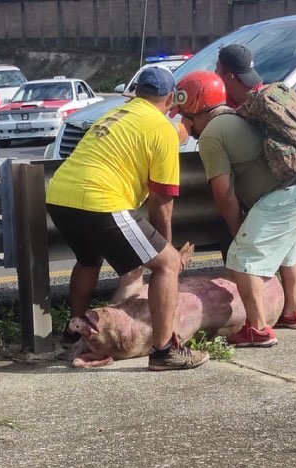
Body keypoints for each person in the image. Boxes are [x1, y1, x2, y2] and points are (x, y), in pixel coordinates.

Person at [46, 66, 208, 371]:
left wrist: (182, 125)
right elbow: (162, 203)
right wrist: (168, 251)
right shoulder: (160, 128)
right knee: (167, 265)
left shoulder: (115, 114)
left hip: (60, 195)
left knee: (88, 260)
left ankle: (75, 331)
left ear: (136, 93)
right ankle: (164, 352)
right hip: (101, 200)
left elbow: (170, 132)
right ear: (171, 98)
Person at [171, 70, 296, 347]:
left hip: (286, 195)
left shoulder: (211, 135)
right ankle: (292, 312)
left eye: (184, 114)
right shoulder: (239, 115)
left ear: (195, 109)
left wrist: (236, 228)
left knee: (243, 260)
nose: (184, 122)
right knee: (290, 253)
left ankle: (257, 329)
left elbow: (224, 193)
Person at [215, 43, 296, 329]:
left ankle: (257, 328)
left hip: (289, 187)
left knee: (244, 257)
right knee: (293, 248)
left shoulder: (255, 105)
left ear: (229, 76)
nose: (216, 76)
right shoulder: (278, 91)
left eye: (218, 71)